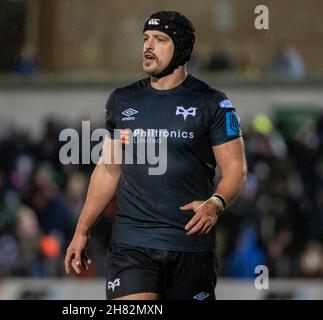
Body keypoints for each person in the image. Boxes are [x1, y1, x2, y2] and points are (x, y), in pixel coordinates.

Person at [64, 11, 247, 300]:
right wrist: (82, 230)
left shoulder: (212, 102)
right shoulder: (123, 101)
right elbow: (109, 169)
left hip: (190, 247)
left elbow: (236, 168)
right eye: (146, 39)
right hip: (132, 245)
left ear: (182, 49)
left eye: (160, 40)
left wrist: (215, 204)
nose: (148, 46)